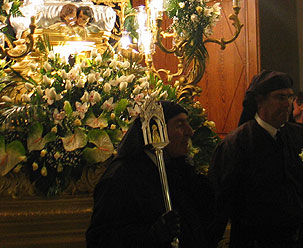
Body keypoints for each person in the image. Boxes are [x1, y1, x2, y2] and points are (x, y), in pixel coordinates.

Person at [209, 70, 303, 248]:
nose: (287, 104)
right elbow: (219, 203)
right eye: (280, 97)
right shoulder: (237, 144)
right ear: (260, 101)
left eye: (290, 97)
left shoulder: (299, 136)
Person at [87, 101, 215, 248]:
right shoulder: (122, 176)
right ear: (157, 131)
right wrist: (152, 234)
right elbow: (100, 239)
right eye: (180, 125)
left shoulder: (177, 169)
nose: (190, 131)